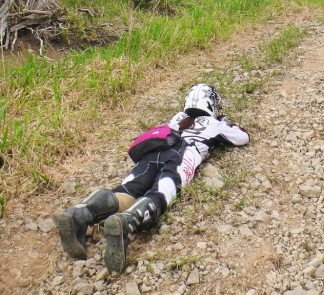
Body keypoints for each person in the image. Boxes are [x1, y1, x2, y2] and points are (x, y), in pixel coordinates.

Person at [56, 84, 249, 274]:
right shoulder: (215, 124)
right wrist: (224, 121)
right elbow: (242, 137)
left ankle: (80, 213)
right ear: (211, 104)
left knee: (127, 189)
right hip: (181, 155)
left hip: (154, 152)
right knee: (162, 193)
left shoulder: (178, 118)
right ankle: (127, 221)